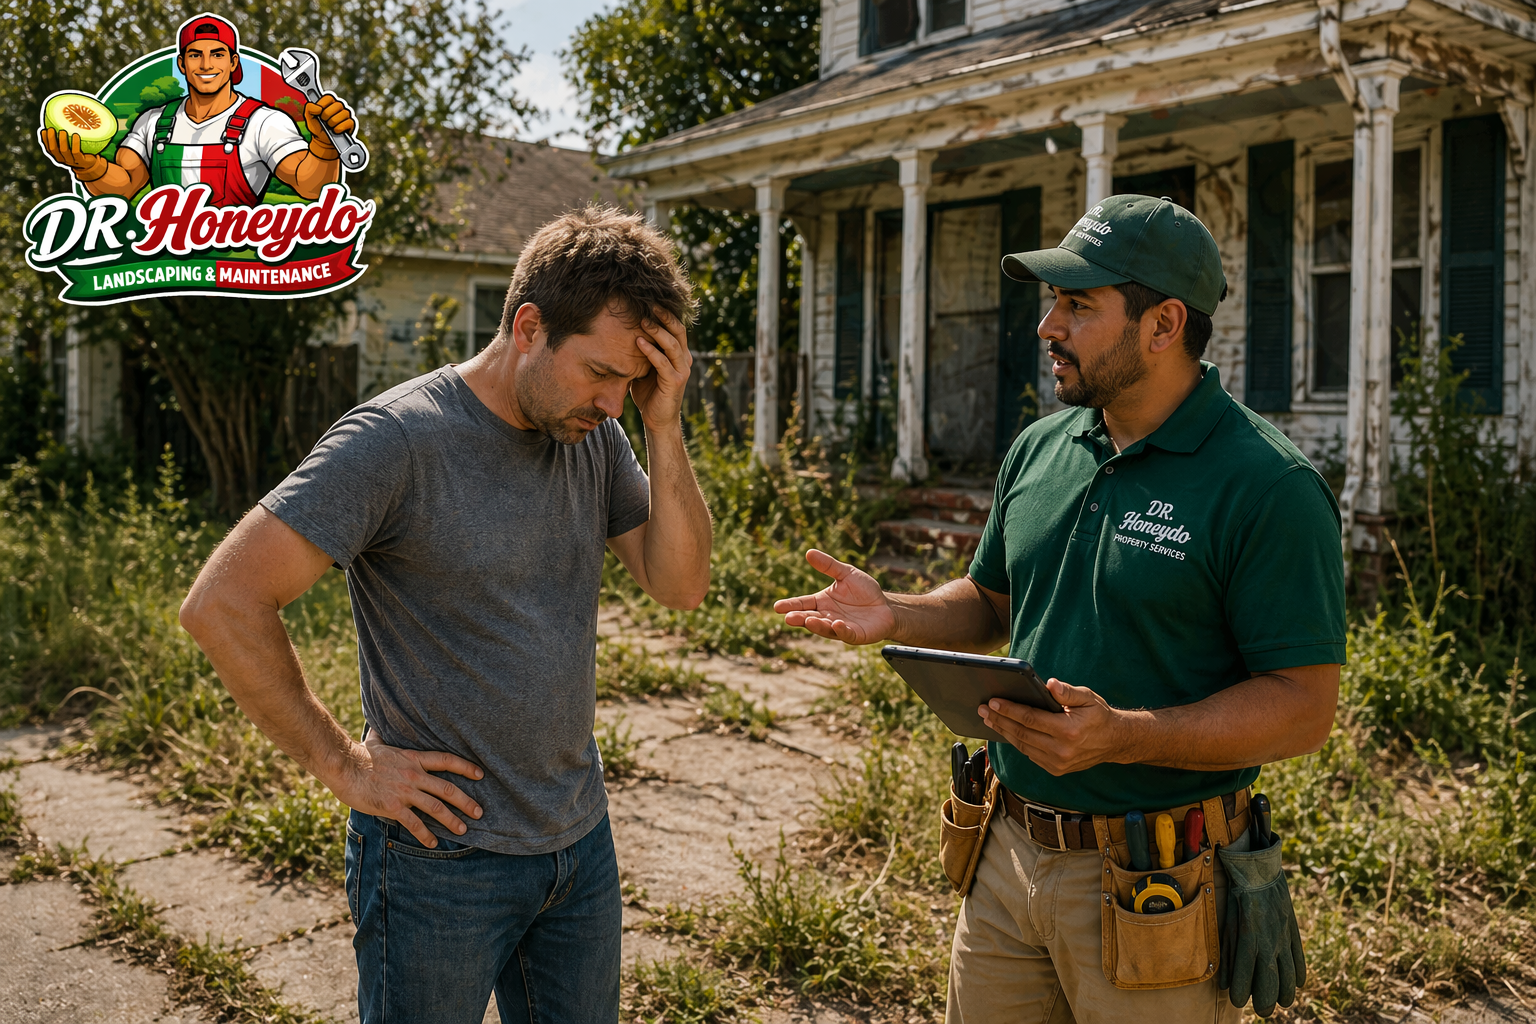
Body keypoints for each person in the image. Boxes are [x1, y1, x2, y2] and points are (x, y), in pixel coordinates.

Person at [774, 195, 1344, 1020]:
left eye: (1078, 306)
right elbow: (989, 600)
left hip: (1159, 883)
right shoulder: (1043, 447)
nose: (1047, 327)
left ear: (1164, 324)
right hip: (1003, 856)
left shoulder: (1266, 487)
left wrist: (1127, 736)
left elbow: (1303, 708)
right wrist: (894, 611)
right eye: (1053, 303)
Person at [179, 205, 713, 1023]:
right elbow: (224, 602)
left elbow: (679, 584)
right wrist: (346, 768)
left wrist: (663, 422)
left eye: (631, 383)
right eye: (602, 372)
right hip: (439, 861)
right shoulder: (398, 442)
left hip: (578, 843)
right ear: (529, 326)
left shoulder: (596, 437)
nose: (614, 401)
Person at [40, 12, 356, 205]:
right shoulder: (153, 122)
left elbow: (311, 185)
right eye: (195, 55)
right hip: (167, 270)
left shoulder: (264, 122)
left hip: (241, 269)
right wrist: (87, 166)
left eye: (218, 54)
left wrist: (325, 145)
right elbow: (123, 185)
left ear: (234, 62)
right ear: (182, 63)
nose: (206, 65)